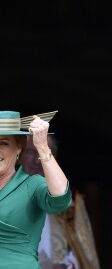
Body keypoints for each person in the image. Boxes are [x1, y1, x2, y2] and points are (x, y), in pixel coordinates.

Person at [0, 110, 72, 269]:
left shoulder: (32, 185)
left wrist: (43, 147)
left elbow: (61, 198)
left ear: (19, 148)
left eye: (4, 143)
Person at [20, 134, 101, 269]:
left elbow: (84, 255)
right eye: (30, 152)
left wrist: (67, 266)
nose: (37, 160)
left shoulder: (70, 202)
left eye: (44, 153)